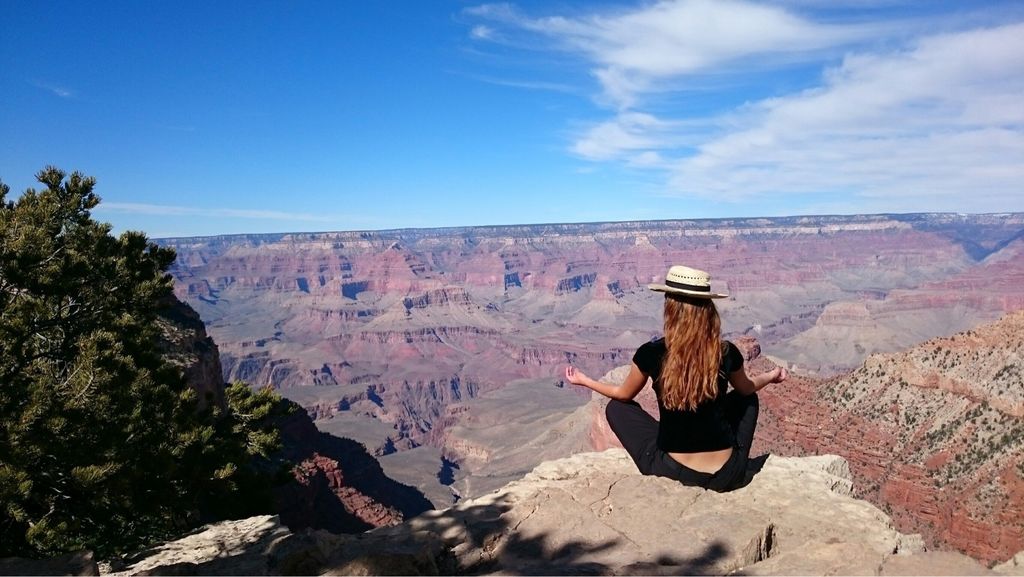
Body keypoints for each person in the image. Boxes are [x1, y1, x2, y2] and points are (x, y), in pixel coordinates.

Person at [564, 265, 787, 492]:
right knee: (746, 399)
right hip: (727, 475)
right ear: (707, 309)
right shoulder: (726, 351)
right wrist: (771, 375)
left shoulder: (650, 353)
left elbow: (623, 395)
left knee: (616, 408)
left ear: (670, 307)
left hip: (672, 474)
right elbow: (747, 388)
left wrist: (585, 380)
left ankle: (674, 443)